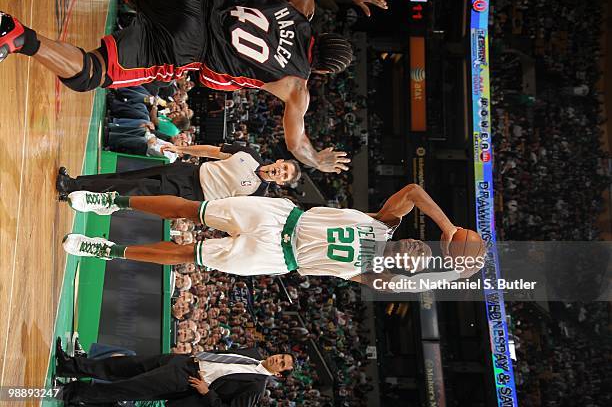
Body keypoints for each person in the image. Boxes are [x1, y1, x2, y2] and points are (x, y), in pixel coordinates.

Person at [0, 0, 387, 173]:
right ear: (320, 72)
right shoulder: (296, 87)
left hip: (198, 5)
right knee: (95, 73)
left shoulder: (303, 9)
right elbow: (296, 145)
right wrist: (318, 160)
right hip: (189, 47)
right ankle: (18, 37)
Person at [62, 183, 484, 290]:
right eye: (420, 244)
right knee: (189, 209)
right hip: (282, 217)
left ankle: (108, 249)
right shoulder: (386, 221)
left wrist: (456, 272)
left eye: (416, 256)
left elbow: (422, 286)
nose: (415, 246)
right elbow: (413, 192)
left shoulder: (374, 274)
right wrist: (448, 229)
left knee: (188, 254)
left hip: (276, 259)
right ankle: (111, 200)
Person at [54, 337, 294, 406]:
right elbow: (221, 355)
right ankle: (69, 366)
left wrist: (205, 391)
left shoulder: (256, 387)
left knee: (128, 387)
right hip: (184, 362)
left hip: (187, 381)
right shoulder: (252, 353)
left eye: (282, 363)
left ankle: (72, 393)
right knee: (124, 366)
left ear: (279, 375)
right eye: (281, 356)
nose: (277, 359)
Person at [56, 142, 301, 201]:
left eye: (284, 176)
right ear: (279, 161)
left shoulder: (257, 194)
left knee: (129, 189)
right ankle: (76, 183)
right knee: (128, 177)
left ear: (280, 183)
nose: (280, 172)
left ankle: (71, 188)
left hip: (190, 193)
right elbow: (214, 152)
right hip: (186, 170)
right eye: (284, 168)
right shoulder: (251, 154)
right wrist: (180, 148)